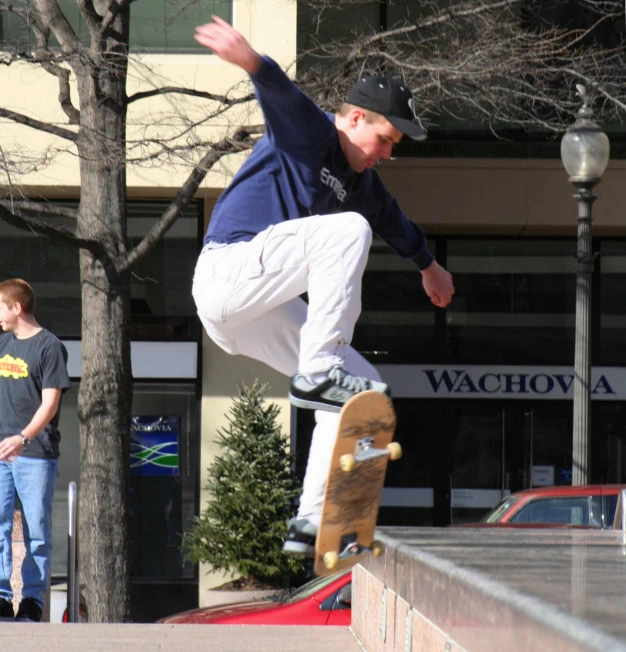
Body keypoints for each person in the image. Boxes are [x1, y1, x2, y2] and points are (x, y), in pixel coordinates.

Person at [192, 17, 455, 556]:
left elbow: (396, 224)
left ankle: (314, 520)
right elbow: (280, 95)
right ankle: (318, 368)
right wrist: (250, 59)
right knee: (348, 231)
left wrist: (429, 265)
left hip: (260, 309)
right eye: (384, 139)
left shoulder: (362, 183)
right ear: (356, 117)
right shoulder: (313, 132)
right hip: (227, 271)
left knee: (363, 391)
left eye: (394, 146)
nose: (387, 153)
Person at [0, 279, 71, 622]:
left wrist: (22, 439)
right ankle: (0, 597)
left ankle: (31, 602)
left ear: (16, 307)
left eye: (1, 306)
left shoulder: (49, 347)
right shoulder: (1, 345)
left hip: (34, 454)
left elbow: (51, 404)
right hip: (0, 454)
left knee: (36, 531)